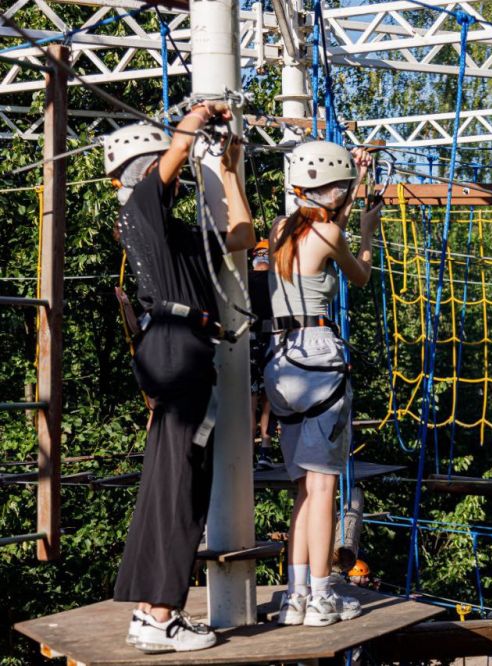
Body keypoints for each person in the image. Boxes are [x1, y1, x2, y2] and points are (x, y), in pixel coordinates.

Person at [106, 105, 256, 653]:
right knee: (181, 487)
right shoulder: (139, 210)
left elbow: (241, 235)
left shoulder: (171, 237)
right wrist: (197, 117)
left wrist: (231, 171)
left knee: (175, 482)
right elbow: (170, 162)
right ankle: (163, 613)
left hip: (185, 349)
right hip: (177, 346)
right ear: (144, 171)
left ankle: (151, 610)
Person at [265, 140, 383, 628]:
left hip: (279, 360)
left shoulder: (279, 229)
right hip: (318, 357)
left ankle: (296, 596)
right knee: (324, 486)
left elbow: (324, 209)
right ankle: (321, 597)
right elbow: (360, 276)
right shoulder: (331, 233)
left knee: (302, 490)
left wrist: (353, 181)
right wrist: (368, 233)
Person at [248, 240, 275, 468]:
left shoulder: (244, 280)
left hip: (251, 340)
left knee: (253, 396)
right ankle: (264, 449)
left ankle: (252, 450)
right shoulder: (278, 281)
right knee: (266, 397)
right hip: (271, 340)